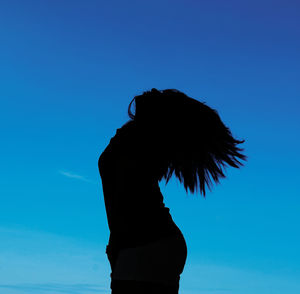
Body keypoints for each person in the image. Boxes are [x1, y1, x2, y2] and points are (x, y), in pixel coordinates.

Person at [98, 88, 247, 294]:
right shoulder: (134, 138)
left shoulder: (140, 140)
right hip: (144, 245)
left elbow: (126, 202)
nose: (146, 93)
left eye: (154, 95)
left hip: (146, 245)